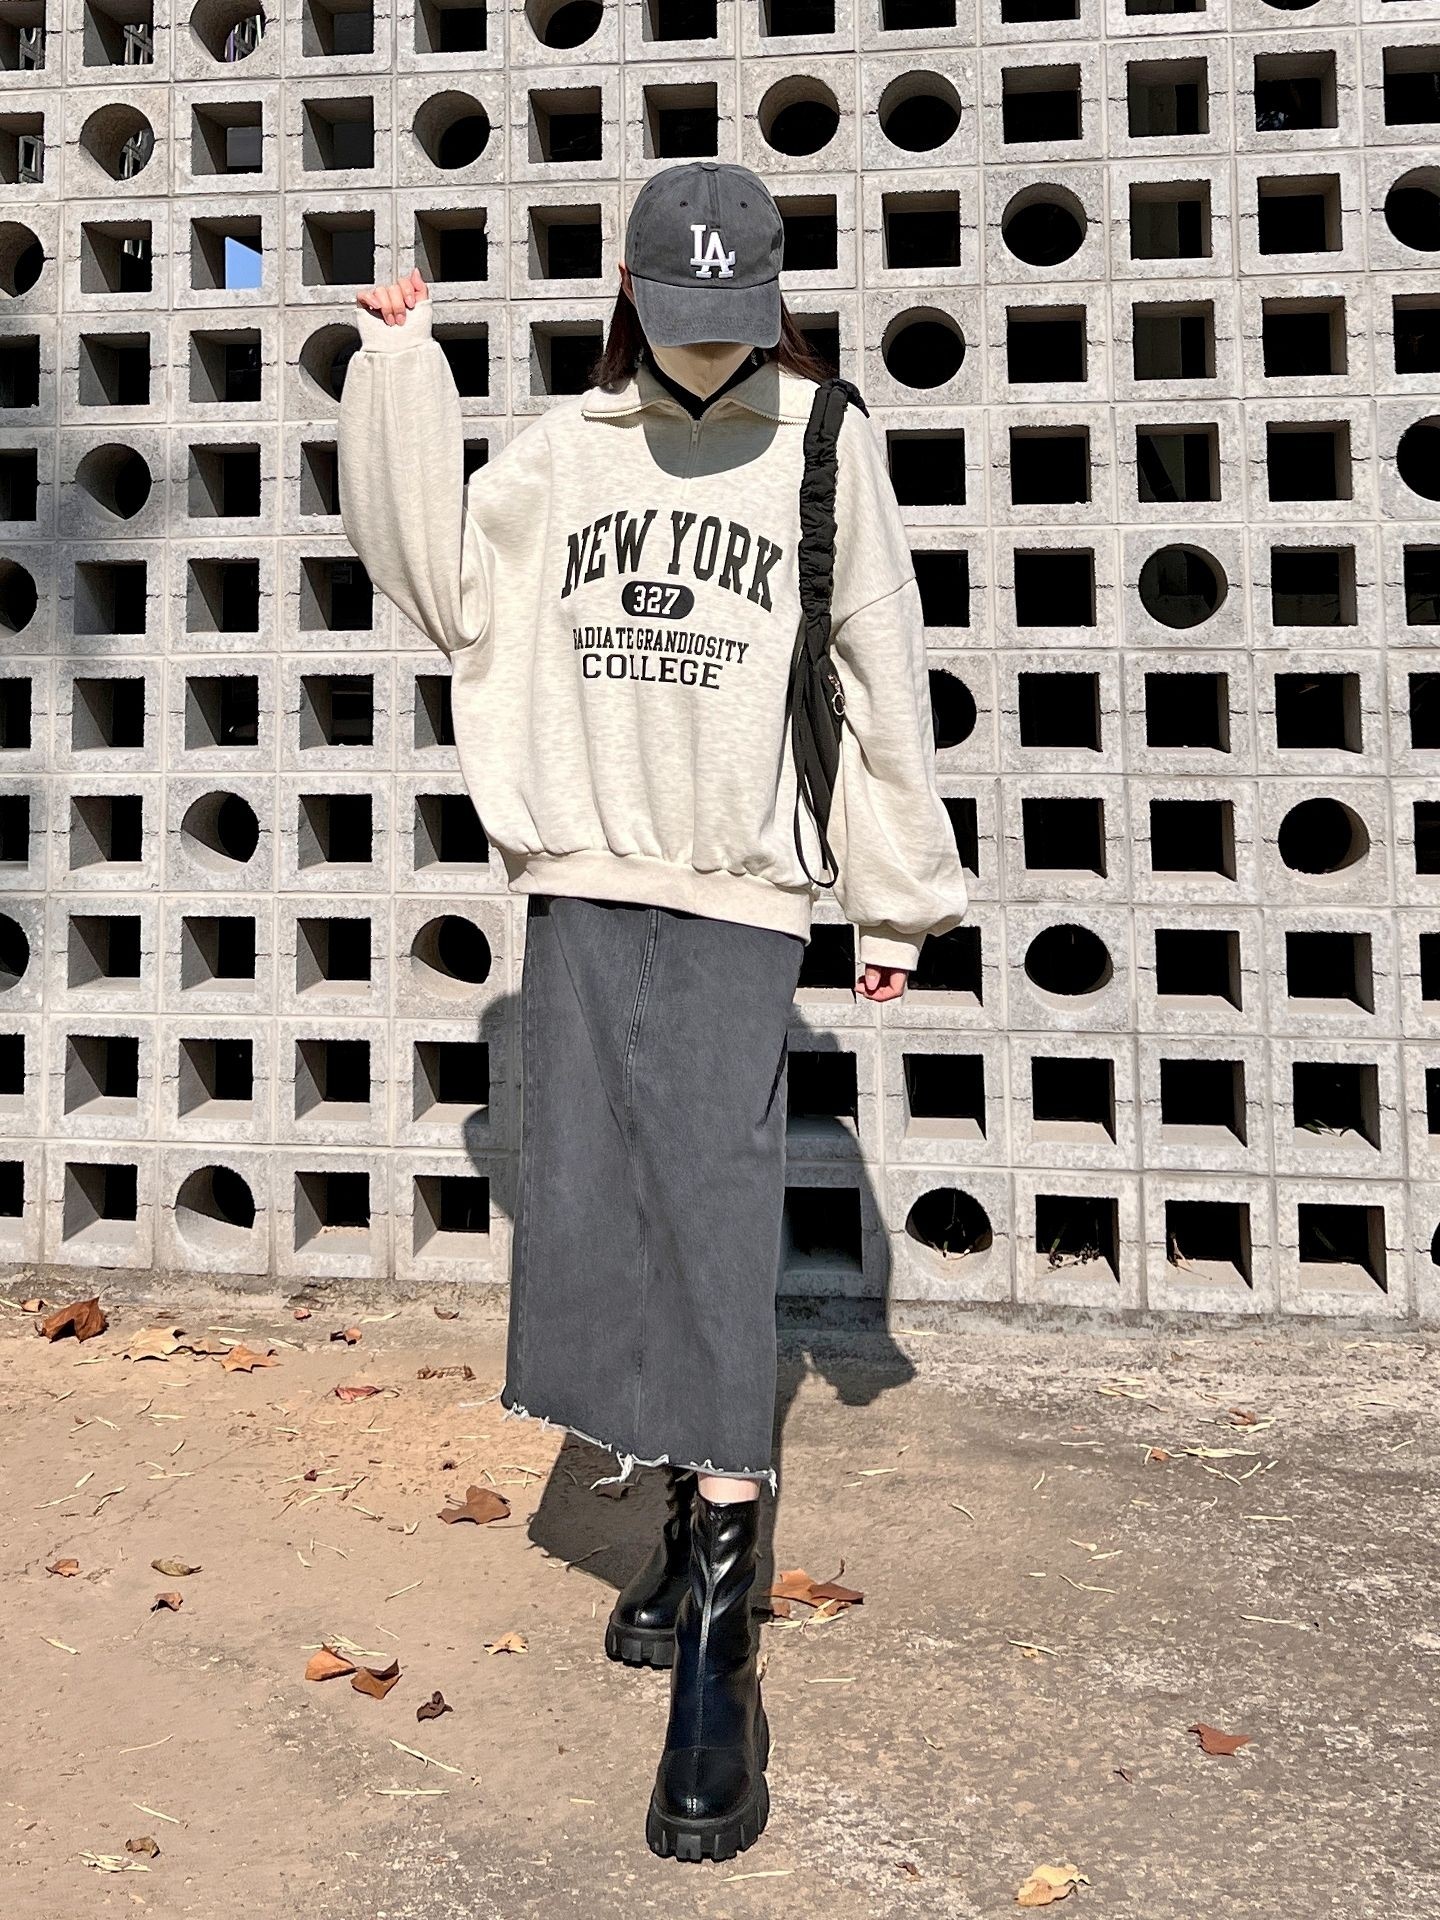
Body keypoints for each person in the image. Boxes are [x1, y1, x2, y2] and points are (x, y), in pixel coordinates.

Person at [336, 159, 968, 1864]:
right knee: (605, 1215)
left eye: (730, 316)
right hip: (583, 873)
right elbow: (439, 585)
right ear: (628, 294)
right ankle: (692, 1527)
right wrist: (400, 377)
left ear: (769, 302)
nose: (705, 344)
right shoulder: (562, 455)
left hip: (738, 885)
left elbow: (878, 664)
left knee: (711, 1201)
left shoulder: (824, 441)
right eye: (678, 313)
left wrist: (896, 891)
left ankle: (720, 1633)